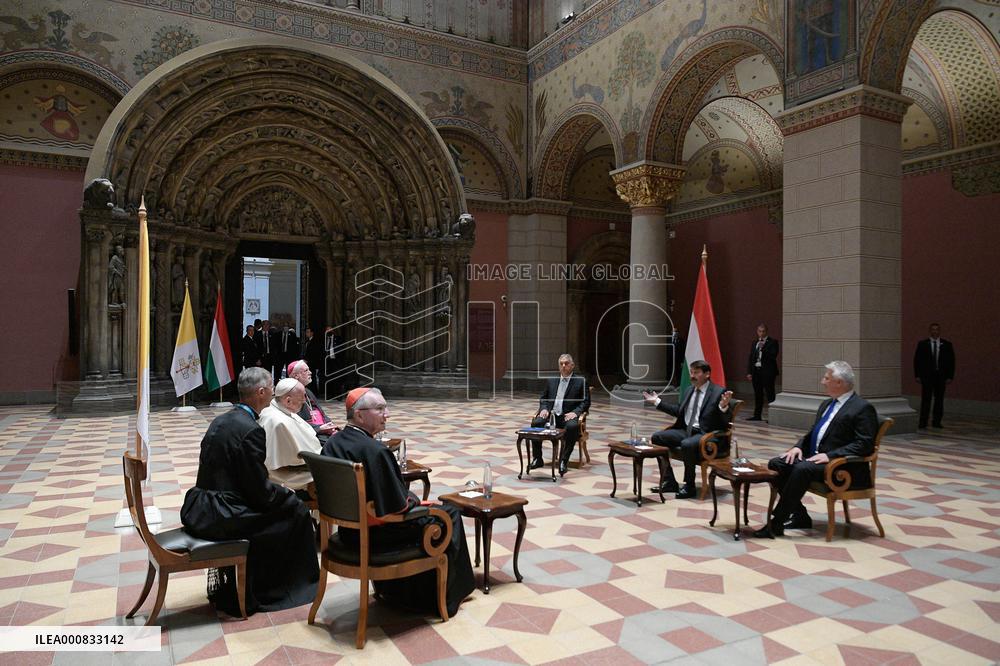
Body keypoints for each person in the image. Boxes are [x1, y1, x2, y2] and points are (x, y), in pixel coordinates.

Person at [321, 387, 475, 617]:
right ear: (360, 415)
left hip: (347, 532)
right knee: (449, 513)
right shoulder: (375, 450)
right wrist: (418, 502)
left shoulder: (333, 442)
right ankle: (440, 599)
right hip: (377, 536)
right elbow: (397, 506)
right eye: (380, 409)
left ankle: (396, 592)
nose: (387, 414)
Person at [179, 368, 318, 616]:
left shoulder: (223, 419)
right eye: (271, 390)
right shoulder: (252, 429)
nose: (273, 395)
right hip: (222, 513)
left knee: (286, 507)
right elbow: (259, 493)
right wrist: (286, 494)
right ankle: (281, 588)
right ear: (261, 392)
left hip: (201, 505)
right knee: (296, 513)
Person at [752, 361, 878, 538]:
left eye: (826, 378)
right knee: (778, 463)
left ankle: (776, 522)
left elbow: (864, 444)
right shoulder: (827, 404)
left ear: (839, 383)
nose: (822, 381)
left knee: (802, 469)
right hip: (818, 460)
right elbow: (812, 433)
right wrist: (797, 448)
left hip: (843, 468)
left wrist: (830, 455)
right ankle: (801, 516)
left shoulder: (862, 408)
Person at [643, 360, 733, 499]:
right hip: (686, 430)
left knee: (687, 444)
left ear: (707, 374)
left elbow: (725, 422)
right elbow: (679, 411)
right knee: (657, 438)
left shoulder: (718, 392)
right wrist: (657, 401)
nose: (692, 375)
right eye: (691, 372)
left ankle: (689, 486)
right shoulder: (689, 390)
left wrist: (723, 407)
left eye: (696, 372)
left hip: (706, 434)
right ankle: (669, 481)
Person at [258, 378, 322, 493]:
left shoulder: (280, 409)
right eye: (302, 397)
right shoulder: (278, 422)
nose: (304, 401)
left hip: (292, 469)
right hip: (284, 476)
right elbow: (289, 461)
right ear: (288, 401)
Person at [530, 354, 590, 476]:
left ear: (572, 365)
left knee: (572, 427)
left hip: (568, 416)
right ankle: (538, 458)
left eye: (566, 363)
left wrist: (575, 412)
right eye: (561, 364)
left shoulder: (580, 381)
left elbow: (586, 402)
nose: (563, 366)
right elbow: (544, 398)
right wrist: (544, 409)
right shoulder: (551, 380)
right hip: (551, 416)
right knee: (536, 423)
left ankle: (564, 461)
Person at [913, 323, 955, 429]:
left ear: (939, 331)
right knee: (926, 399)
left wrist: (950, 376)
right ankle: (923, 422)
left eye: (937, 329)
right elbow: (917, 360)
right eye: (933, 329)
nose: (935, 331)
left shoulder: (947, 344)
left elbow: (951, 361)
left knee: (939, 400)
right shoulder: (923, 344)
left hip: (941, 377)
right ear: (930, 331)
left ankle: (937, 421)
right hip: (927, 376)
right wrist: (917, 375)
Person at [287, 360, 339, 444]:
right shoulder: (291, 394)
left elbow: (322, 414)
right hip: (311, 434)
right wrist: (320, 428)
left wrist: (330, 425)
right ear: (296, 375)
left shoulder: (308, 391)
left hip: (323, 430)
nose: (310, 372)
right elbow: (295, 423)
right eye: (306, 370)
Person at [745, 324, 779, 421]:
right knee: (758, 394)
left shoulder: (773, 342)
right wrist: (749, 372)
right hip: (756, 371)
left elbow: (773, 356)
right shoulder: (754, 342)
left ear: (766, 332)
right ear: (757, 331)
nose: (761, 333)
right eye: (760, 331)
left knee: (770, 394)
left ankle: (772, 417)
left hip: (768, 372)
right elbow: (751, 358)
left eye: (763, 331)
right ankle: (757, 415)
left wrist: (763, 348)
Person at [302, 326, 324, 393]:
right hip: (308, 362)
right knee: (309, 377)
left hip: (312, 362)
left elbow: (314, 353)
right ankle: (310, 390)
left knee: (312, 377)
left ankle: (314, 391)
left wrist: (307, 359)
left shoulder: (315, 341)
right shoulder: (307, 341)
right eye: (306, 332)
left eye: (308, 332)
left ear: (312, 333)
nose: (307, 333)